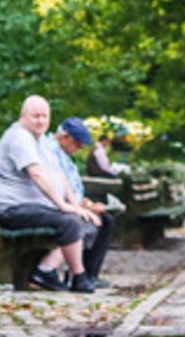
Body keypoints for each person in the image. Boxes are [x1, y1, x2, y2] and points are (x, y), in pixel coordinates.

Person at [0, 96, 99, 293]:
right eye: (36, 116)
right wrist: (63, 206)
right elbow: (37, 173)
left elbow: (59, 174)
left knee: (87, 222)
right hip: (15, 209)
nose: (40, 121)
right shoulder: (19, 137)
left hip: (36, 208)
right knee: (70, 222)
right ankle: (79, 277)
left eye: (44, 116)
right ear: (23, 116)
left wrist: (75, 205)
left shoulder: (40, 140)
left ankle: (45, 270)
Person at [42, 117, 118, 289]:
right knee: (96, 223)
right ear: (65, 137)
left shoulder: (63, 153)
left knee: (106, 219)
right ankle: (79, 274)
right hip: (57, 207)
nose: (81, 147)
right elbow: (57, 188)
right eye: (78, 142)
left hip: (72, 205)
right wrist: (86, 208)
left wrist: (87, 203)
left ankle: (89, 275)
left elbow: (72, 188)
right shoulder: (50, 152)